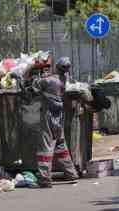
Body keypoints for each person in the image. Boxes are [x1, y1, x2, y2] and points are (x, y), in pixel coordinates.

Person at [32, 57, 79, 188]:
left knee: (45, 147)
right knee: (60, 145)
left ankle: (44, 178)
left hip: (48, 116)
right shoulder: (64, 80)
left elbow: (33, 86)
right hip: (59, 116)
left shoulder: (50, 80)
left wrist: (35, 69)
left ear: (57, 67)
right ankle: (72, 174)